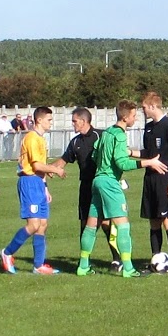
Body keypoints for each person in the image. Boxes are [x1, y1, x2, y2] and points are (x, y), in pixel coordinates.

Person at [80, 101, 168, 277]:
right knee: (123, 226)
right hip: (110, 183)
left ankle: (82, 266)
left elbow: (95, 154)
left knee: (91, 225)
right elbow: (122, 162)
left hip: (97, 181)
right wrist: (148, 162)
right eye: (134, 115)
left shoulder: (106, 133)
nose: (136, 118)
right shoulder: (119, 135)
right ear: (125, 117)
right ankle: (128, 269)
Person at [0, 107, 67, 274]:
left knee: (42, 224)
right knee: (33, 224)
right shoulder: (31, 138)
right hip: (29, 182)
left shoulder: (41, 139)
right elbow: (36, 166)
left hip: (38, 183)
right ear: (39, 120)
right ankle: (7, 253)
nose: (51, 122)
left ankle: (38, 265)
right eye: (49, 120)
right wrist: (55, 169)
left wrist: (45, 188)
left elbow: (40, 169)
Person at [61, 108, 125, 268]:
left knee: (105, 223)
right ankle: (85, 261)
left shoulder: (101, 136)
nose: (73, 124)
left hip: (101, 184)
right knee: (84, 224)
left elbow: (114, 157)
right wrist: (47, 169)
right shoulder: (75, 142)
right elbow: (62, 161)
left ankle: (117, 258)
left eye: (74, 121)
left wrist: (117, 178)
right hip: (85, 187)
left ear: (83, 121)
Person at [138, 91, 168, 273]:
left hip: (165, 179)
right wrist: (128, 152)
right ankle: (156, 260)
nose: (142, 110)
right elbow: (147, 153)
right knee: (153, 221)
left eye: (144, 107)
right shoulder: (149, 127)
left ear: (152, 106)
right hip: (149, 179)